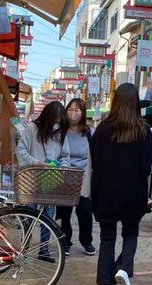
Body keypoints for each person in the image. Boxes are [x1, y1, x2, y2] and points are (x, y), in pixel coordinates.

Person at [90, 83, 152, 285]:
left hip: (106, 191)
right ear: (136, 102)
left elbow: (96, 162)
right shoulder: (143, 130)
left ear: (115, 101)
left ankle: (104, 281)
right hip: (133, 191)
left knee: (107, 236)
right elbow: (148, 164)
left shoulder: (102, 129)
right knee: (131, 232)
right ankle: (124, 268)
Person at [16, 101, 69, 263]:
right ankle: (25, 247)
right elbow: (21, 150)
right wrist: (35, 162)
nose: (56, 125)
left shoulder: (60, 133)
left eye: (59, 123)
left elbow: (65, 155)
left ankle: (43, 249)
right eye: (54, 122)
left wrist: (63, 167)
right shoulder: (32, 129)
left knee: (48, 215)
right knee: (29, 214)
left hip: (51, 179)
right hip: (31, 179)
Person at [56, 98, 96, 256]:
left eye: (77, 110)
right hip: (64, 176)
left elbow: (96, 155)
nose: (73, 113)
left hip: (83, 178)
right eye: (70, 109)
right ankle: (65, 241)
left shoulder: (90, 132)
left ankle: (87, 241)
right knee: (64, 213)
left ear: (83, 112)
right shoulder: (60, 131)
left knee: (85, 211)